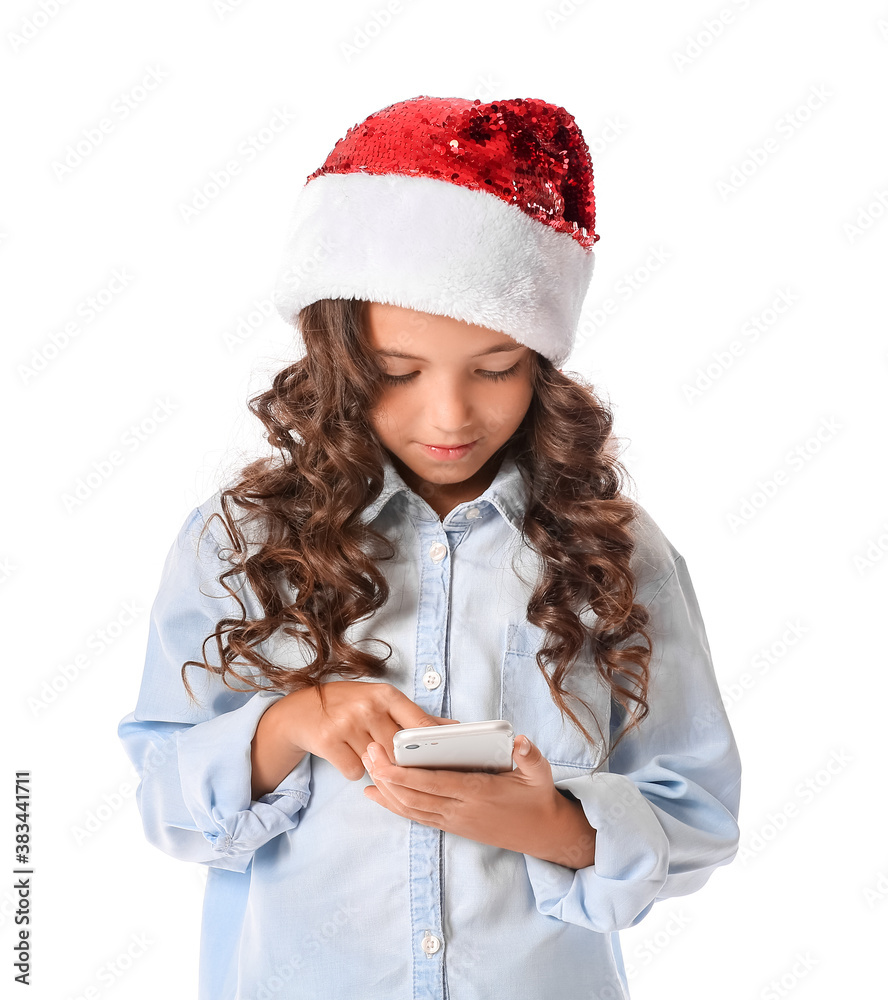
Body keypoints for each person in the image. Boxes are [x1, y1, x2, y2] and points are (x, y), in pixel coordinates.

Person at [118, 95, 741, 1000]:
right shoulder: (240, 540)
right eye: (399, 374)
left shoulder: (617, 552)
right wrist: (291, 724)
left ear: (543, 361)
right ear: (338, 361)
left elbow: (699, 809)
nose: (449, 416)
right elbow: (166, 804)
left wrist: (556, 826)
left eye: (496, 369)